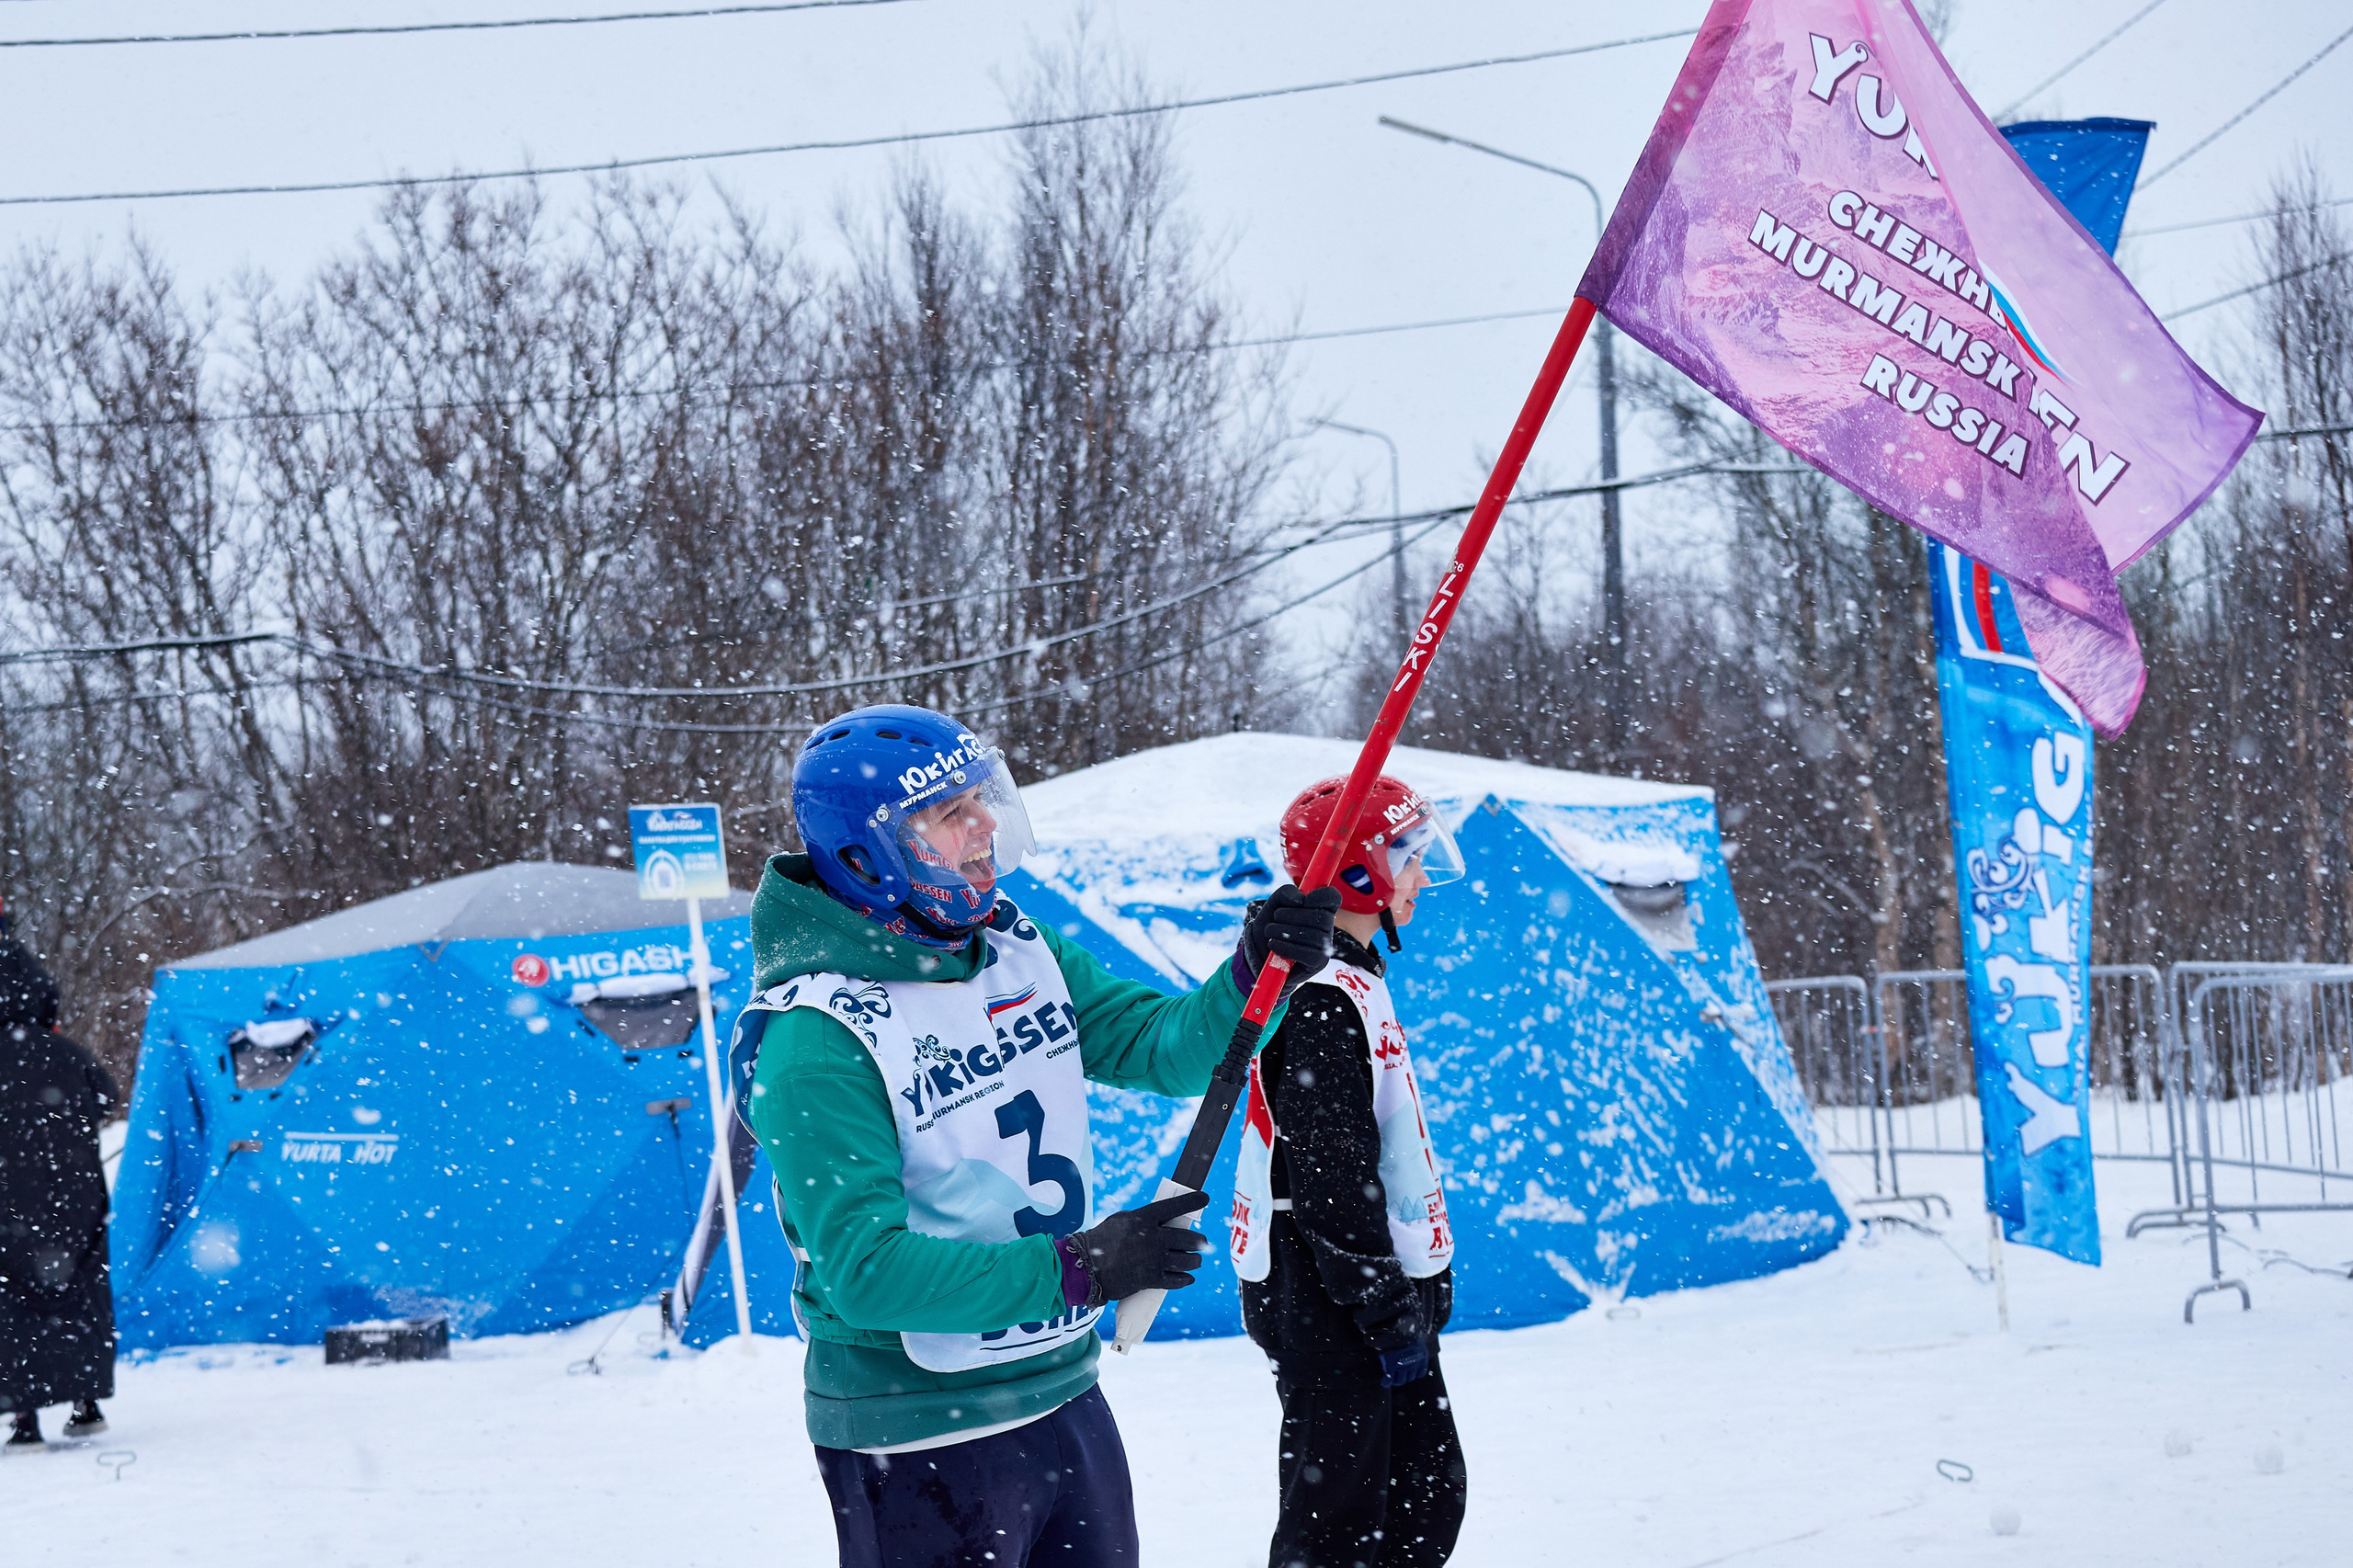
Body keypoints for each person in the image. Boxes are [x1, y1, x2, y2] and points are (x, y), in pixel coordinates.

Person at [733, 703, 1340, 1567]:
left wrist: (1255, 969)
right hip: (915, 1428)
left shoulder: (1014, 947)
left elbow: (1160, 1046)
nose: (983, 824)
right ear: (867, 859)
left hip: (1063, 1392)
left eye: (983, 797)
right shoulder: (816, 1040)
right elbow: (866, 1274)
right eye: (948, 814)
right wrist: (1083, 1268)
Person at [1228, 775, 1469, 1568]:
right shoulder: (1322, 992)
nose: (1423, 878)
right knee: (1340, 1528)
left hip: (1357, 1294)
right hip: (1328, 1296)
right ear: (1359, 869)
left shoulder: (1353, 978)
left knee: (1422, 1498)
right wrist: (1380, 1298)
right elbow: (1330, 1165)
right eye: (1409, 858)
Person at [1, 932, 119, 1453]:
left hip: (6, 1207)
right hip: (72, 1199)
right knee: (76, 1294)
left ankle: (24, 1417)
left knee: (11, 1301)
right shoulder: (69, 1056)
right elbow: (105, 1100)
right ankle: (83, 1402)